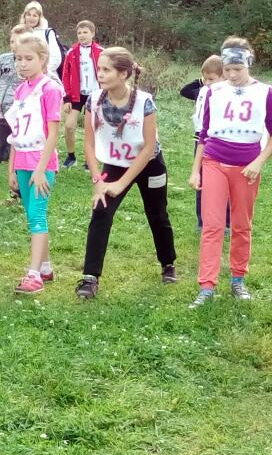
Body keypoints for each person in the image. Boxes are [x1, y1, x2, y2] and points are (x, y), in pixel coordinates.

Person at [188, 37, 272, 308]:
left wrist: (259, 162)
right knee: (212, 226)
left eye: (237, 69)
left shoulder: (265, 92)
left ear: (248, 64)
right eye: (227, 69)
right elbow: (204, 134)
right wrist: (196, 170)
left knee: (241, 225)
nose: (231, 75)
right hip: (214, 162)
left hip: (246, 167)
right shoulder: (214, 91)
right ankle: (206, 286)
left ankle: (238, 279)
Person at [75, 47, 177, 299]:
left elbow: (149, 147)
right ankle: (90, 278)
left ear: (123, 74)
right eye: (98, 69)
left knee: (157, 214)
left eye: (106, 70)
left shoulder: (144, 102)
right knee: (101, 211)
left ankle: (168, 263)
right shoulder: (93, 100)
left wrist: (121, 184)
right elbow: (88, 144)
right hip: (115, 164)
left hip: (149, 164)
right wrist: (98, 181)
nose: (100, 74)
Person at [5, 33, 64, 293]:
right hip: (22, 160)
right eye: (18, 58)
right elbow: (16, 131)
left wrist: (41, 169)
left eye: (28, 58)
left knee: (38, 215)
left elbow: (53, 133)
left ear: (43, 58)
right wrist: (11, 168)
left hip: (42, 162)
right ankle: (46, 267)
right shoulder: (20, 89)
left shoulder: (50, 89)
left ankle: (34, 275)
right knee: (31, 216)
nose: (22, 64)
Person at [181, 55, 225, 231]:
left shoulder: (227, 95)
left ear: (223, 77)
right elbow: (185, 91)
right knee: (201, 180)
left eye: (211, 79)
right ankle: (202, 221)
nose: (207, 83)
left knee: (223, 182)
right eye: (205, 78)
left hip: (219, 141)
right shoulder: (202, 91)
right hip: (200, 139)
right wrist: (203, 79)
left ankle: (226, 222)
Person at [0, 25, 28, 202]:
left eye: (19, 41)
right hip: (2, 115)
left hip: (21, 116)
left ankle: (18, 193)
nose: (15, 45)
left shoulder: (29, 63)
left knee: (19, 153)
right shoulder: (3, 60)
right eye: (12, 41)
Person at [60, 20, 102, 169]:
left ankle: (90, 159)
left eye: (85, 32)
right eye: (79, 33)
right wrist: (67, 98)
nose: (82, 35)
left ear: (92, 33)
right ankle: (71, 156)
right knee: (69, 126)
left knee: (91, 128)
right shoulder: (71, 52)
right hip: (76, 95)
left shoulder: (101, 52)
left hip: (95, 95)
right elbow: (65, 76)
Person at [19, 1, 63, 81]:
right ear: (24, 16)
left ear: (39, 17)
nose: (31, 18)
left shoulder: (48, 33)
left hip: (46, 78)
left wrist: (40, 72)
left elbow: (56, 58)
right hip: (24, 80)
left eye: (35, 16)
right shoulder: (20, 33)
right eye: (28, 15)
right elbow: (16, 57)